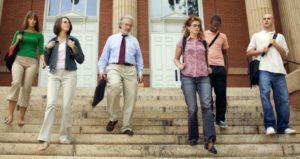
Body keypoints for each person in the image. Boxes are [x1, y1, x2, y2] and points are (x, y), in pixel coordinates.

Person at [38, 16, 84, 150]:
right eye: (65, 22)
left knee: (66, 105)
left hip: (69, 75)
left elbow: (81, 59)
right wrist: (46, 49)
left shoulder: (74, 40)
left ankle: (64, 136)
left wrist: (73, 48)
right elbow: (46, 61)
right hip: (54, 75)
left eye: (68, 22)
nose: (67, 23)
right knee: (51, 104)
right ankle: (44, 137)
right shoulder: (52, 41)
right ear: (58, 24)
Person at [247, 13, 296, 135]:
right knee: (265, 97)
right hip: (264, 70)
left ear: (273, 20)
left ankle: (284, 126)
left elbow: (285, 54)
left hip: (279, 71)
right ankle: (270, 125)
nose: (266, 20)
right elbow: (248, 52)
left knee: (283, 99)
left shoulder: (280, 36)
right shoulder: (257, 36)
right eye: (264, 19)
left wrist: (276, 45)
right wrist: (260, 50)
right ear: (262, 21)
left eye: (269, 18)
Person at [174, 16, 217, 154]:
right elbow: (175, 58)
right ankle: (193, 136)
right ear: (188, 27)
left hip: (203, 77)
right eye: (194, 25)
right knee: (192, 108)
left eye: (198, 25)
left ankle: (209, 140)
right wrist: (180, 65)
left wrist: (208, 67)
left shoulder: (204, 43)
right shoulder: (183, 42)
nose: (197, 27)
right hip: (188, 78)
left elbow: (205, 59)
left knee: (207, 106)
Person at [98, 15, 143, 136]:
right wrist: (101, 70)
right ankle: (113, 118)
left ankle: (127, 126)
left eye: (130, 25)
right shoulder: (111, 39)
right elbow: (104, 56)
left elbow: (139, 58)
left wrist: (140, 72)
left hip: (130, 69)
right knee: (114, 87)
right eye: (126, 24)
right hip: (114, 67)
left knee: (131, 97)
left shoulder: (134, 41)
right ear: (120, 25)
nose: (128, 27)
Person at [4, 11, 46, 126]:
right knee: (16, 83)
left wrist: (43, 61)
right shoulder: (19, 32)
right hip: (18, 60)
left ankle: (21, 117)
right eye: (30, 19)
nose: (32, 21)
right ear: (27, 20)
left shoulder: (39, 35)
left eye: (34, 19)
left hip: (32, 62)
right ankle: (10, 114)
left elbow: (41, 51)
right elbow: (10, 49)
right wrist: (18, 39)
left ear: (36, 21)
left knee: (27, 88)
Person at [204, 15, 229, 128]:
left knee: (221, 94)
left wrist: (226, 67)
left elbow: (225, 53)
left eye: (217, 26)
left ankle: (220, 119)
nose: (215, 28)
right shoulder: (203, 34)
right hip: (207, 68)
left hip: (220, 68)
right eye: (214, 25)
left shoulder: (223, 36)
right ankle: (210, 116)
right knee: (207, 95)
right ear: (210, 23)